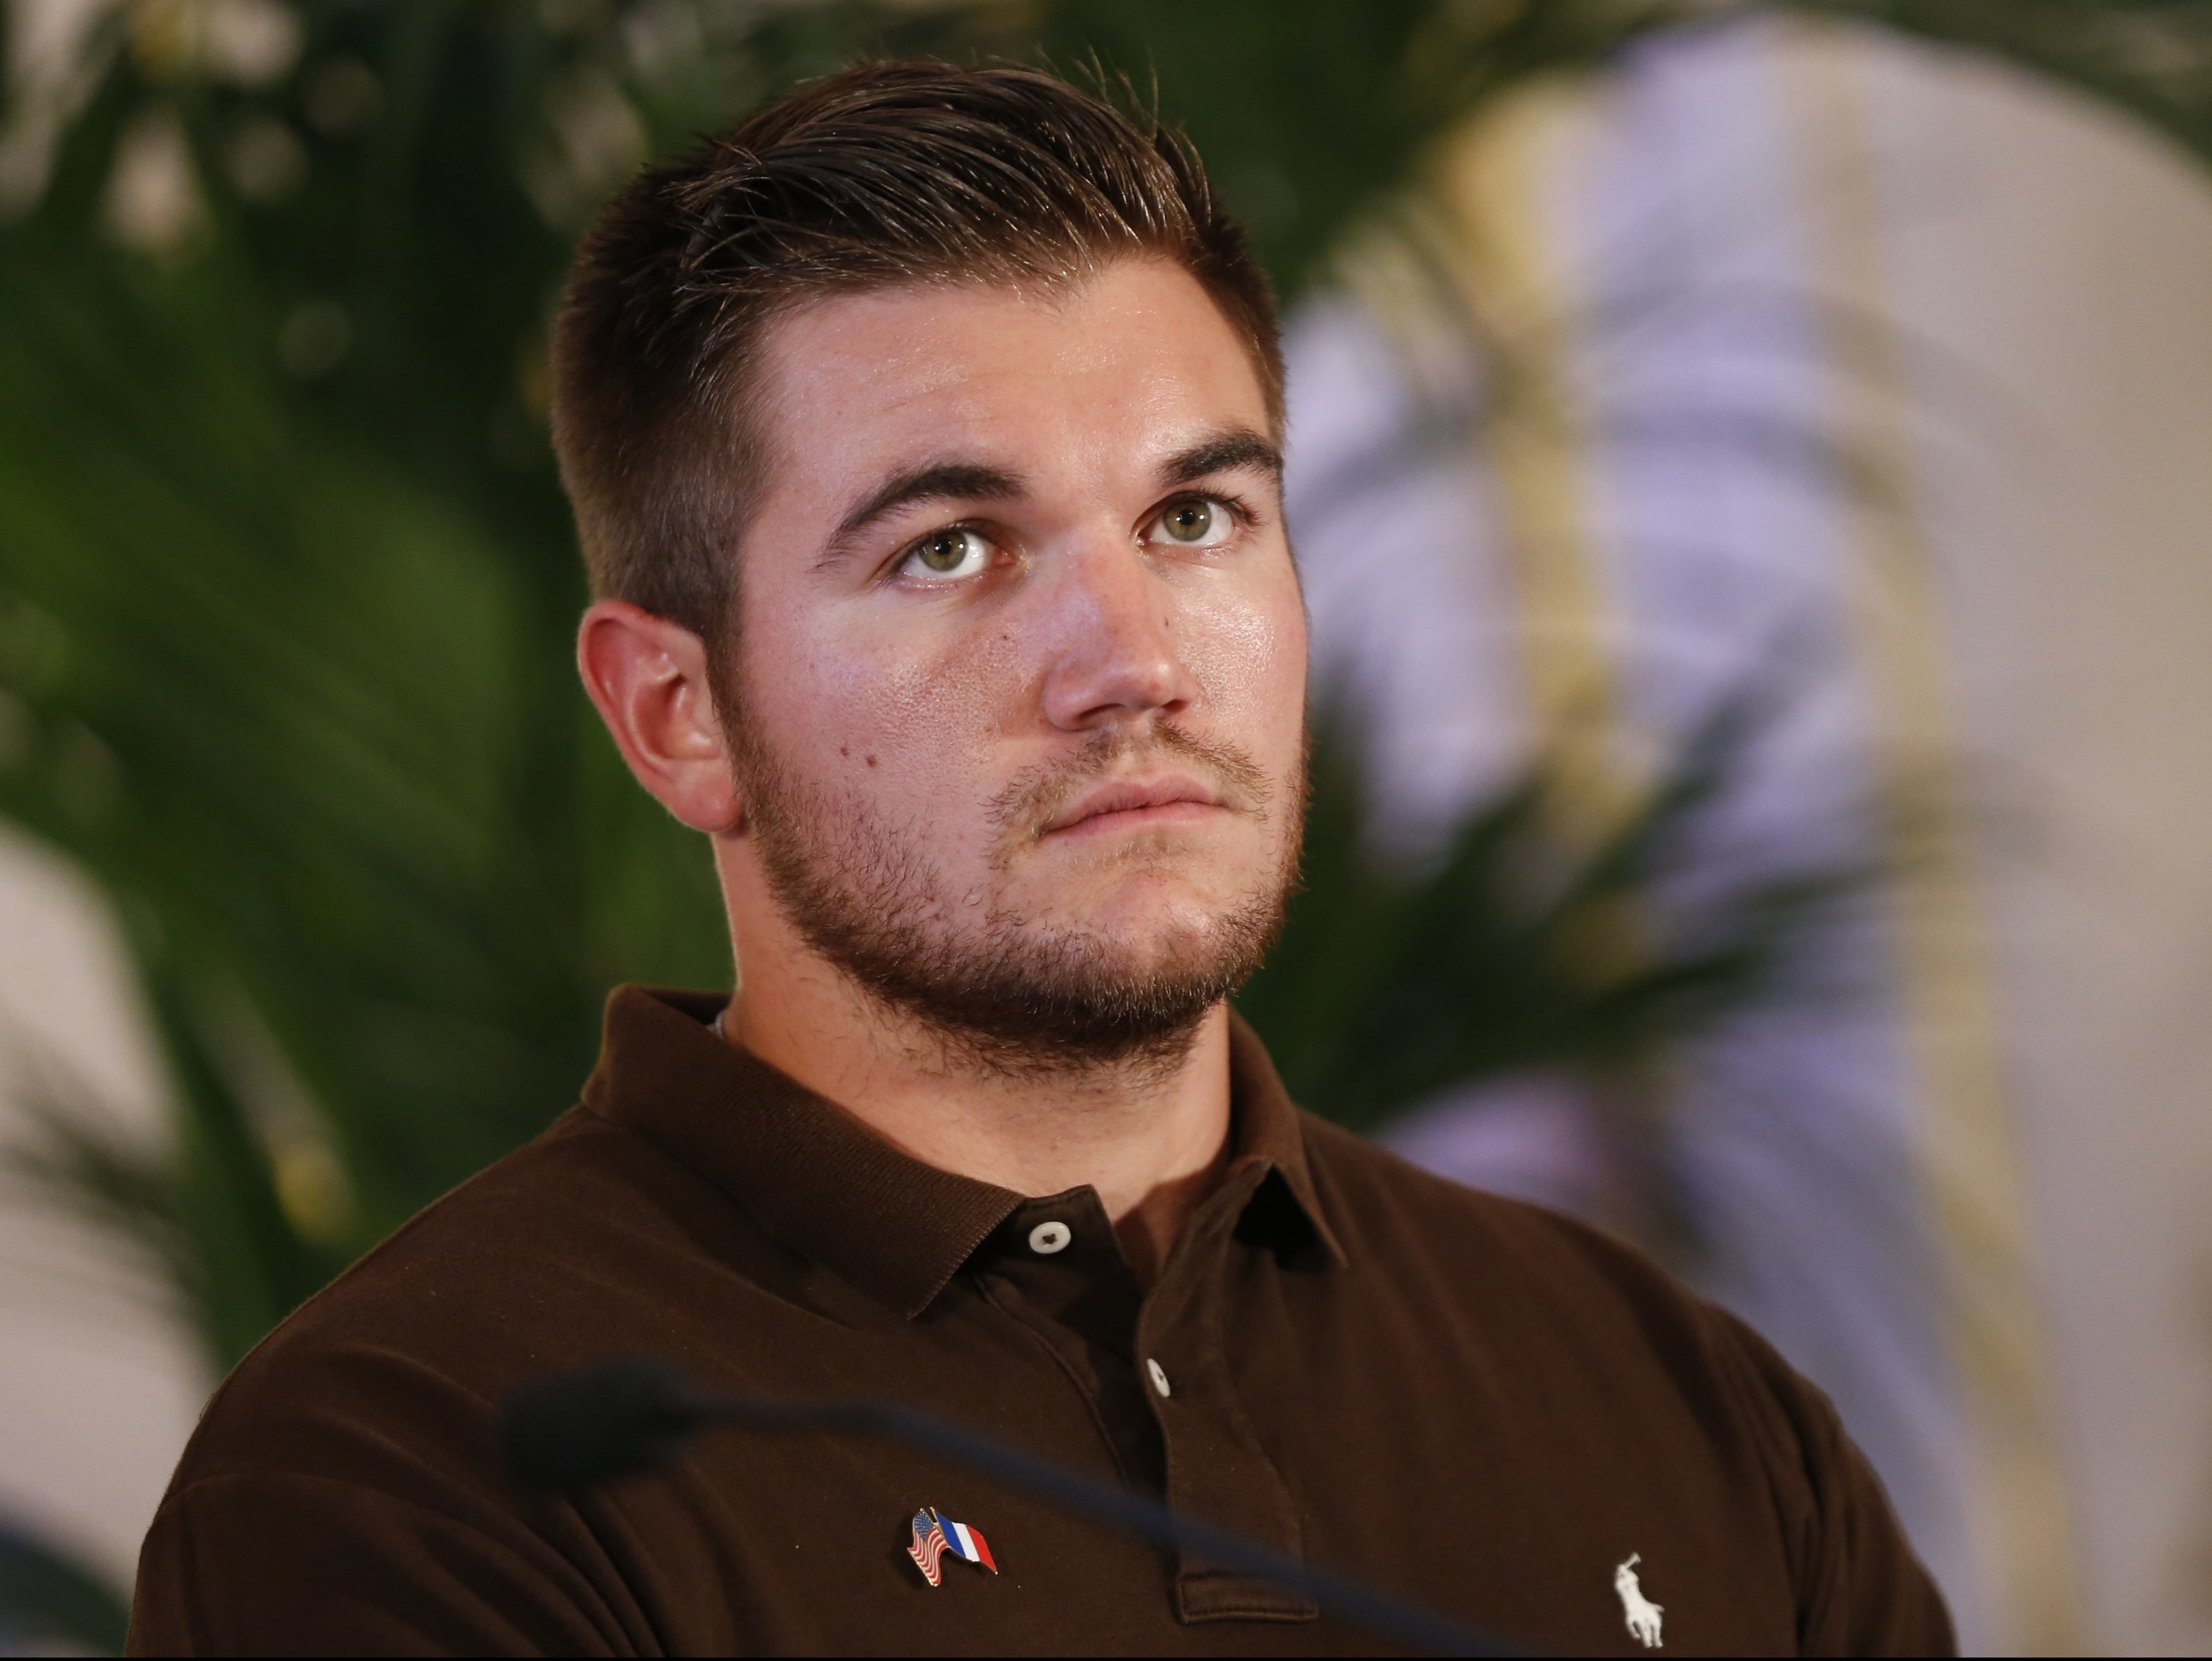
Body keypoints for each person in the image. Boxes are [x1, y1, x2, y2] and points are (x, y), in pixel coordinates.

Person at [126, 61, 1952, 1656]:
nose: (1135, 661)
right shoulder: (425, 1464)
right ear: (677, 713)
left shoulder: (1660, 1391)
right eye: (950, 549)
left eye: (1194, 517)